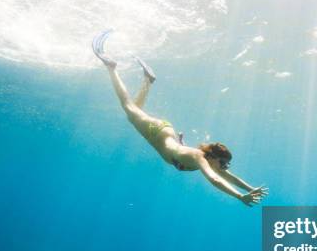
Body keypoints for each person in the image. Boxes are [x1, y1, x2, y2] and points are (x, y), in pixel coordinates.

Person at [92, 30, 268, 206]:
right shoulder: (200, 158)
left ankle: (147, 80)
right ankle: (111, 67)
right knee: (128, 106)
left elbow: (227, 176)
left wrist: (250, 189)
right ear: (213, 157)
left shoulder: (205, 159)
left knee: (134, 112)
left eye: (226, 165)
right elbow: (215, 180)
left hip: (164, 131)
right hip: (156, 132)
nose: (224, 168)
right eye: (223, 163)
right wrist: (240, 197)